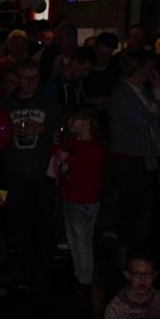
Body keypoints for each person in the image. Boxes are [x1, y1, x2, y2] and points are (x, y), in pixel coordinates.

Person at [0, 58, 63, 291]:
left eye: (34, 78)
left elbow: (64, 133)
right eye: (25, 78)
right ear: (16, 79)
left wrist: (45, 130)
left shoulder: (49, 103)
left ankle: (42, 274)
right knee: (17, 225)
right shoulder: (6, 105)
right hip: (14, 174)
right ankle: (21, 271)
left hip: (41, 174)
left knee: (43, 225)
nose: (29, 83)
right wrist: (8, 133)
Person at [107, 50, 160, 261]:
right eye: (149, 67)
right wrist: (156, 101)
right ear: (138, 68)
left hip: (143, 156)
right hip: (127, 158)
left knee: (138, 205)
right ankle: (123, 250)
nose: (152, 71)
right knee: (131, 205)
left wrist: (157, 92)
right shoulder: (121, 94)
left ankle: (129, 246)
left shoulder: (142, 90)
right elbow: (143, 122)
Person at [53, 107, 104, 290]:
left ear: (86, 122)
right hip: (69, 198)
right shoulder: (72, 142)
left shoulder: (94, 147)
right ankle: (79, 275)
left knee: (83, 243)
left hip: (84, 201)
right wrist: (56, 145)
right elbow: (59, 156)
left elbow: (89, 172)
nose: (69, 123)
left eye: (73, 119)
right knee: (73, 240)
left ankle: (85, 281)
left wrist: (69, 159)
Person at [44, 46, 97, 114]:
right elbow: (50, 114)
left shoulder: (79, 82)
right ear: (75, 62)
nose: (86, 74)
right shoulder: (54, 86)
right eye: (84, 69)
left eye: (89, 70)